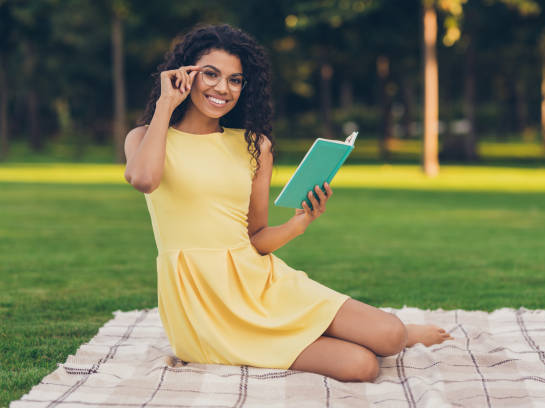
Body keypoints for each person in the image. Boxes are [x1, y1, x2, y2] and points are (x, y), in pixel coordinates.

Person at [124, 23, 453, 383]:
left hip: (260, 283)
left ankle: (400, 332)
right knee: (363, 367)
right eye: (211, 74)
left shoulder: (254, 144)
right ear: (184, 74)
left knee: (390, 335)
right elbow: (143, 179)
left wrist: (300, 222)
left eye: (235, 80)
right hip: (204, 306)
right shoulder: (145, 137)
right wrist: (165, 104)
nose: (222, 88)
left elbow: (256, 237)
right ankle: (332, 333)